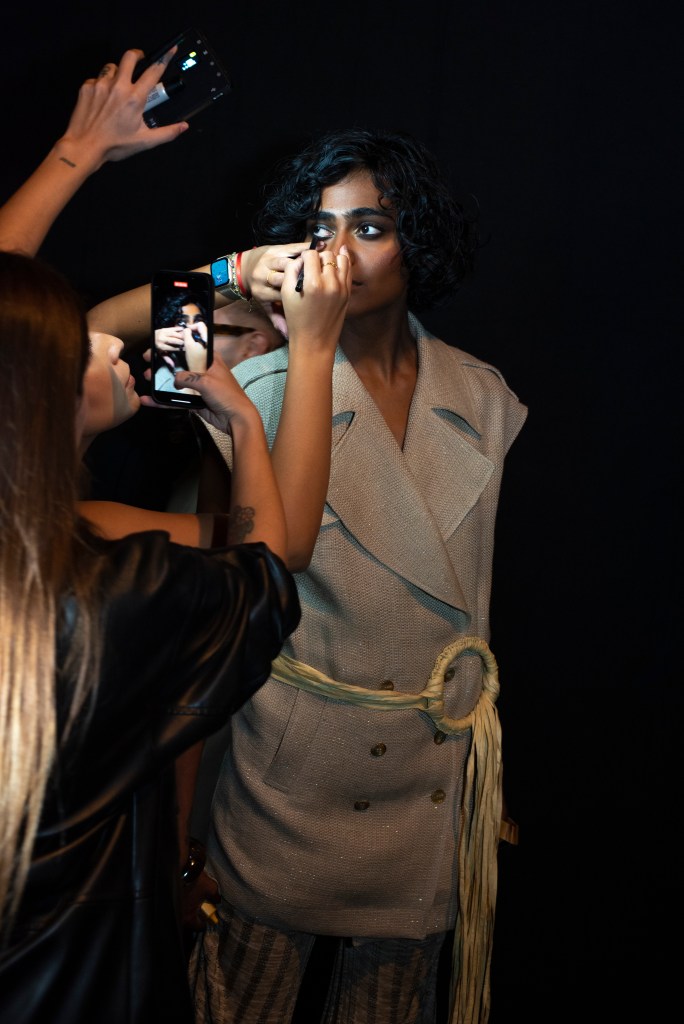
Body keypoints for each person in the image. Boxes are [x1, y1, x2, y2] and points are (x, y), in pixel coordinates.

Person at [0, 47, 321, 1024]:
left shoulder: (83, 538)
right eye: (82, 347)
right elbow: (270, 563)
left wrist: (82, 155)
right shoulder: (116, 585)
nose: (111, 338)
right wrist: (281, 382)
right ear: (43, 396)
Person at [185, 128, 528, 1024]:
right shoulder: (254, 390)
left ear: (419, 242)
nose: (337, 253)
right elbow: (221, 609)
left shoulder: (483, 397)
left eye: (369, 227)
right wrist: (227, 275)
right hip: (290, 783)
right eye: (318, 229)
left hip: (424, 786)